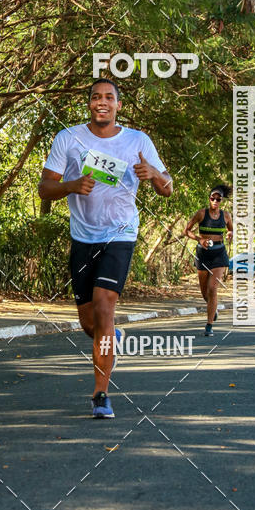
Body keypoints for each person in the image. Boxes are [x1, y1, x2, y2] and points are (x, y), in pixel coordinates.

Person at [38, 79, 172, 419]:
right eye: (96, 97)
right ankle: (113, 336)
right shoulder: (68, 139)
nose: (103, 102)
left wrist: (155, 174)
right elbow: (44, 188)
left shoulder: (137, 140)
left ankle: (101, 394)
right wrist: (70, 185)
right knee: (91, 323)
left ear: (118, 105)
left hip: (121, 233)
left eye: (109, 97)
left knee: (104, 307)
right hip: (83, 237)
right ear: (89, 104)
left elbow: (167, 189)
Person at [184, 185, 233, 337]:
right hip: (203, 253)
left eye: (219, 199)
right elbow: (186, 230)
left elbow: (231, 229)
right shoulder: (201, 214)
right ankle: (213, 309)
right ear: (209, 199)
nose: (216, 201)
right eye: (213, 198)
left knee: (213, 289)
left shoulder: (226, 216)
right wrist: (200, 239)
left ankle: (209, 325)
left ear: (221, 201)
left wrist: (231, 233)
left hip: (219, 253)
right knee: (205, 293)